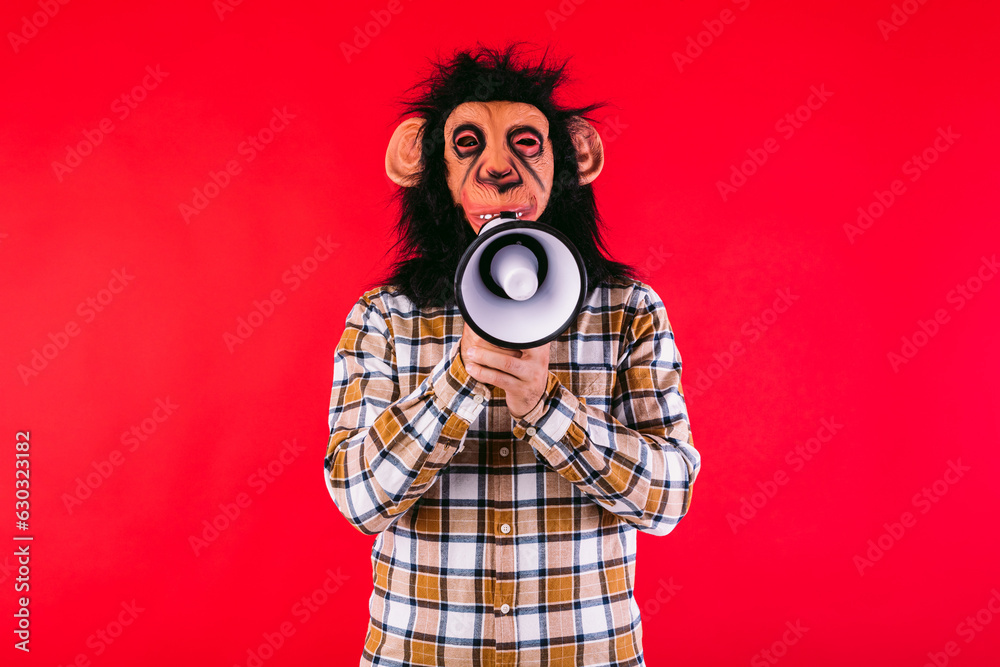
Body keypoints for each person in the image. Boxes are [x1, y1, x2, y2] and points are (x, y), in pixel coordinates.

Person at [324, 43, 700, 667]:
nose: (498, 170)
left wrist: (548, 408)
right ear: (428, 166)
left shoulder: (628, 309)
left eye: (526, 143)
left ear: (572, 158)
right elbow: (359, 500)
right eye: (467, 145)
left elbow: (668, 500)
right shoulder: (384, 315)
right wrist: (457, 382)